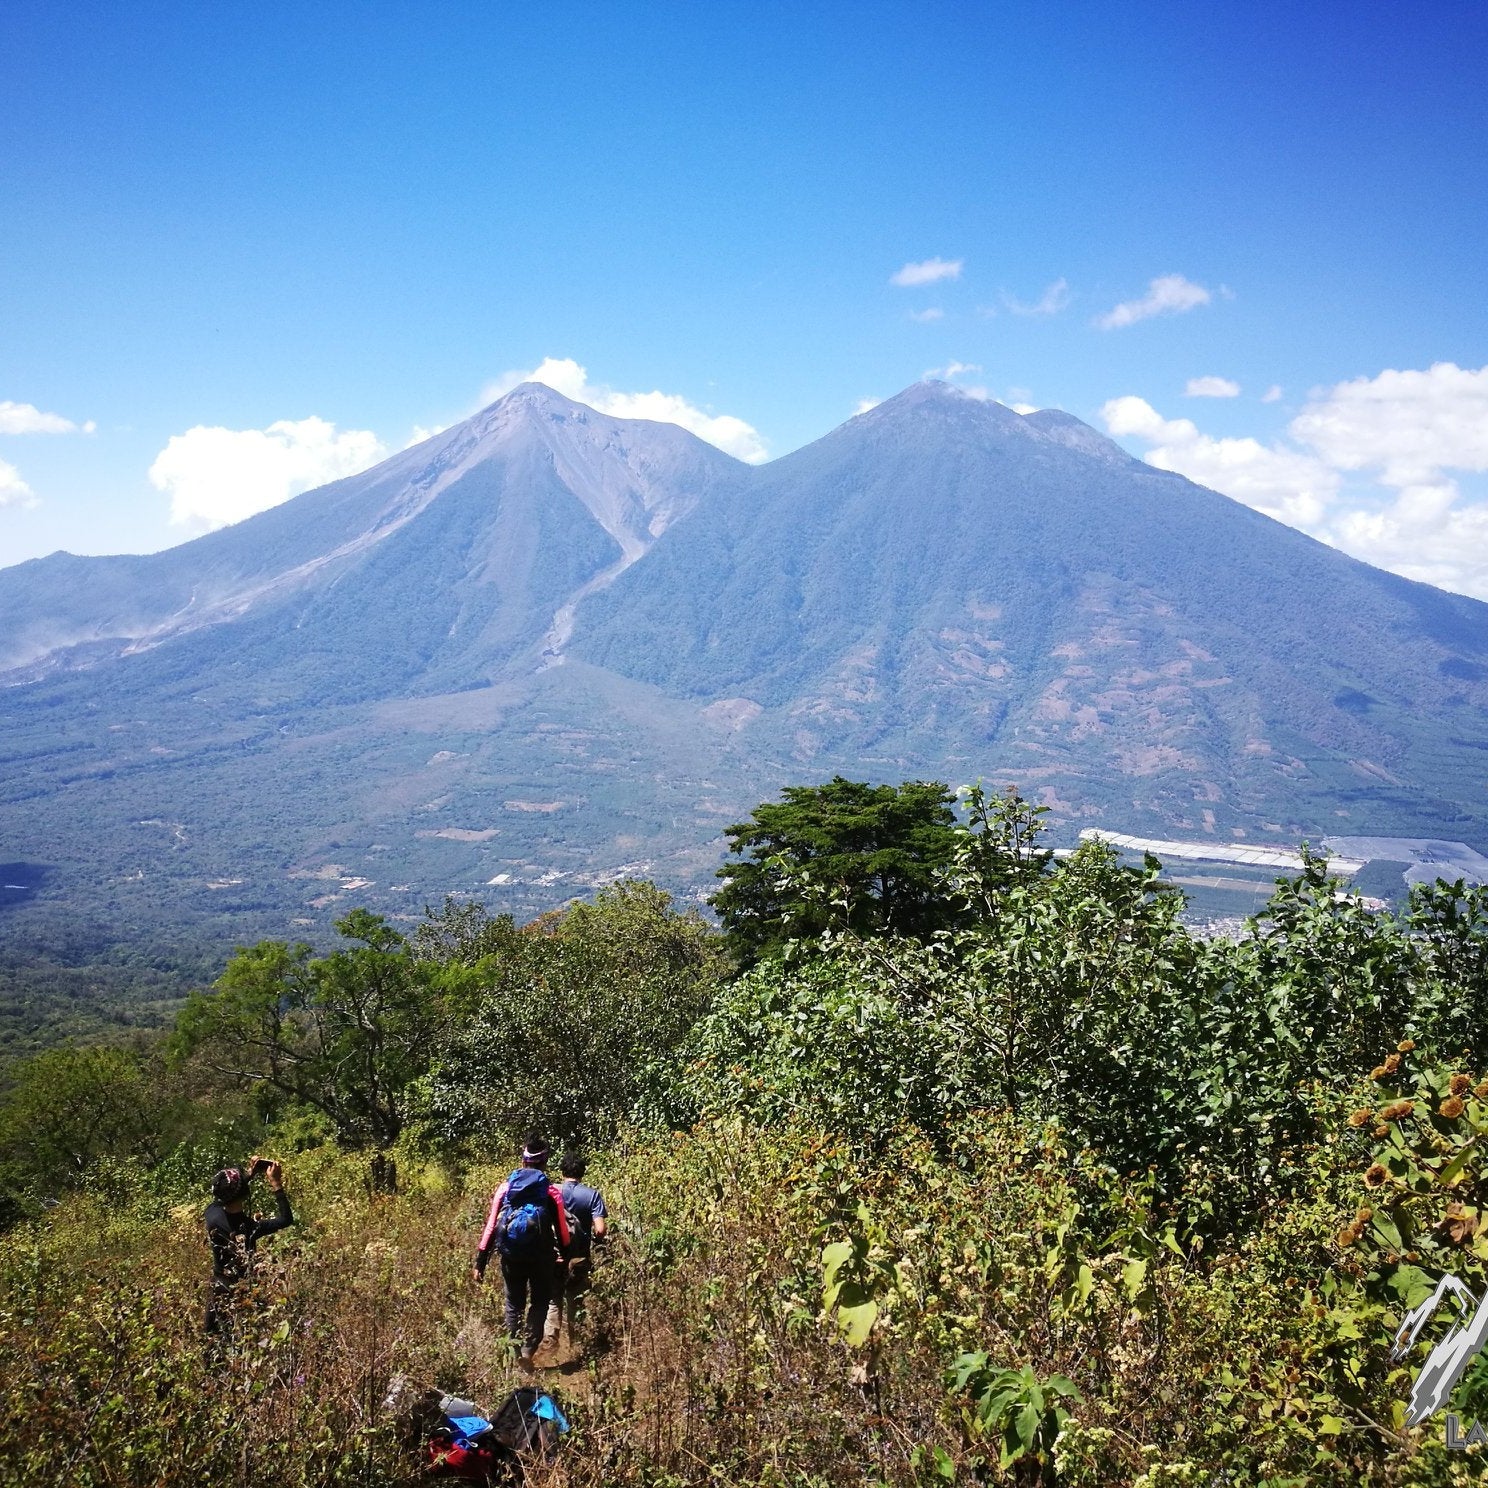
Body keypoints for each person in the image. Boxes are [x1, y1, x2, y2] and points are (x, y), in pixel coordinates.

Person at [472, 1133, 571, 1365]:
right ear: (544, 1162)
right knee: (539, 1302)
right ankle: (528, 1350)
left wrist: (480, 1261)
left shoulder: (506, 1188)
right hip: (541, 1258)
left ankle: (513, 1352)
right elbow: (563, 1231)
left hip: (510, 1256)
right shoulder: (550, 1191)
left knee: (513, 1303)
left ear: (523, 1160)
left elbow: (491, 1226)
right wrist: (565, 1257)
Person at [203, 1154, 294, 1335]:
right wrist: (276, 1184)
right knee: (247, 1335)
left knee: (213, 1337)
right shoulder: (250, 1228)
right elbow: (286, 1219)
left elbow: (224, 1196)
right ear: (246, 1193)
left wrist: (250, 1174)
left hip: (219, 1284)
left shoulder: (211, 1213)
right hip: (245, 1290)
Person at [546, 1151, 607, 1347]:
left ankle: (549, 1340)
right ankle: (576, 1344)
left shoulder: (551, 1191)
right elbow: (600, 1229)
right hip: (579, 1256)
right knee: (575, 1299)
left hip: (553, 1255)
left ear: (562, 1170)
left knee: (553, 1298)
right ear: (582, 1172)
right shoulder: (592, 1195)